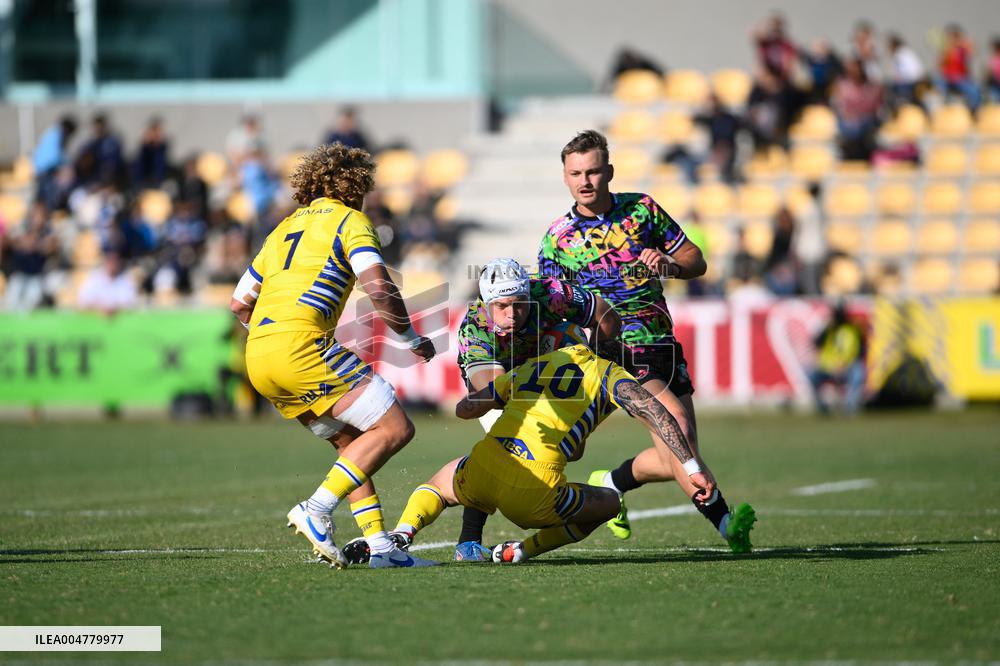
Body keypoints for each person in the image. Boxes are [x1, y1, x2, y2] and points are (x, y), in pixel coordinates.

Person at [537, 129, 755, 552]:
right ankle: (727, 524)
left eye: (594, 171)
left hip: (663, 342)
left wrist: (670, 264)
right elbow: (551, 307)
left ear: (609, 172)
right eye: (576, 173)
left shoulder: (643, 210)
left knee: (677, 446)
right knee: (676, 425)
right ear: (565, 178)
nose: (585, 181)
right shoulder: (557, 240)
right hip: (618, 350)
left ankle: (611, 482)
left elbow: (697, 260)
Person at [229, 143, 438, 570]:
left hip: (258, 356)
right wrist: (411, 338)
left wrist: (272, 340)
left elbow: (238, 304)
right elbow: (379, 288)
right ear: (356, 184)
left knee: (351, 442)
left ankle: (380, 549)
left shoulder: (283, 228)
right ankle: (317, 507)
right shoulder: (350, 220)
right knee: (395, 427)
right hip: (300, 347)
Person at [345, 342, 739, 565]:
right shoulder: (610, 373)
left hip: (487, 465)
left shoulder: (537, 365)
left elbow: (468, 407)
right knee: (607, 503)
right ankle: (518, 551)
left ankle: (401, 534)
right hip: (535, 491)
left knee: (445, 479)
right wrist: (691, 464)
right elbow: (655, 411)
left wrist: (479, 401)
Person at [349, 256, 620, 564]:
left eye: (519, 304)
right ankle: (468, 539)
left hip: (544, 373)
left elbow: (606, 315)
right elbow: (491, 393)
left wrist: (596, 362)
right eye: (501, 306)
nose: (512, 314)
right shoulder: (475, 329)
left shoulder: (552, 294)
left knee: (574, 449)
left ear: (530, 294)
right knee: (499, 453)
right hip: (505, 387)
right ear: (485, 302)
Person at [809, 302, 867, 415]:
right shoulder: (828, 330)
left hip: (847, 366)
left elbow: (860, 350)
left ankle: (850, 405)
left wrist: (845, 364)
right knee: (811, 375)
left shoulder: (853, 329)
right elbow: (816, 343)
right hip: (828, 367)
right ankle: (821, 406)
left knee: (858, 373)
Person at [32, 115, 77, 210]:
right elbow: (55, 157)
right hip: (47, 171)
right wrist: (68, 165)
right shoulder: (58, 134)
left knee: (41, 199)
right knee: (49, 200)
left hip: (41, 171)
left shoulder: (51, 132)